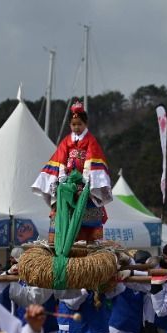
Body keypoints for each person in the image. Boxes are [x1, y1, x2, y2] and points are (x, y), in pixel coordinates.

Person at [32, 101, 113, 243]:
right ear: (70, 125)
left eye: (79, 124)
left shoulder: (91, 141)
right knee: (60, 211)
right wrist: (62, 176)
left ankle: (88, 243)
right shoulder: (66, 141)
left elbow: (92, 158)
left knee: (88, 216)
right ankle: (59, 242)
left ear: (85, 124)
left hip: (85, 182)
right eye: (73, 124)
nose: (76, 127)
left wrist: (86, 180)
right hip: (68, 182)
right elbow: (60, 158)